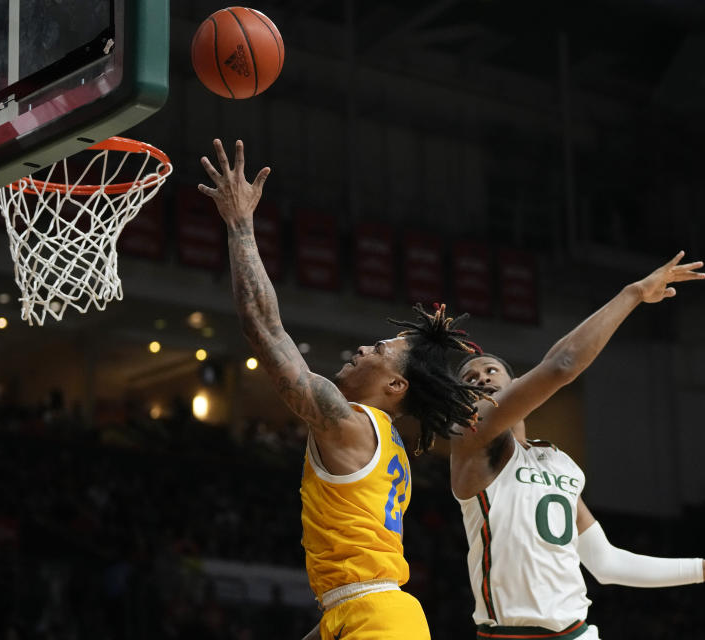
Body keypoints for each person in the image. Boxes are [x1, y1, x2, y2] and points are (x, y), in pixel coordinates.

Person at [198, 139, 489, 640]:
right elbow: (355, 591)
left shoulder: (347, 423)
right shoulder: (386, 443)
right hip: (366, 615)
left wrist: (240, 223)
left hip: (379, 621)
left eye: (379, 349)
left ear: (397, 384)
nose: (363, 349)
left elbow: (265, 331)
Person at [451, 255, 705, 639]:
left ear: (517, 383)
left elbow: (605, 562)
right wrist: (634, 292)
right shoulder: (470, 438)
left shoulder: (558, 463)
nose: (482, 378)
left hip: (578, 632)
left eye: (491, 371)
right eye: (470, 379)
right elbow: (562, 364)